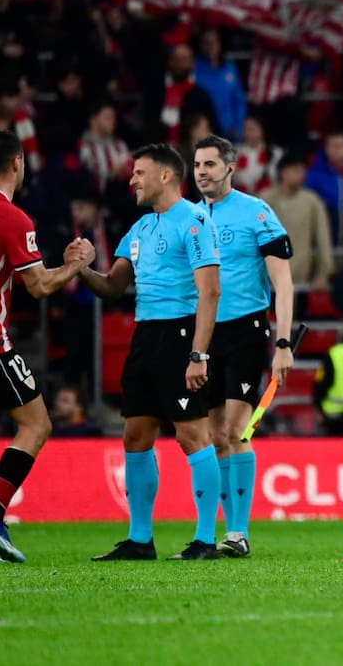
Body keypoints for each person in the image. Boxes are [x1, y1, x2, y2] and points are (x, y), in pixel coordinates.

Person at [74, 144, 223, 561]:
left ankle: (206, 540)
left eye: (139, 172)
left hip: (180, 335)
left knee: (193, 435)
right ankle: (140, 540)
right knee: (136, 435)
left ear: (165, 176)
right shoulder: (139, 228)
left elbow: (210, 291)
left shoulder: (194, 220)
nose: (132, 180)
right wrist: (80, 269)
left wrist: (198, 354)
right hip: (145, 337)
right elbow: (112, 287)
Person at [192, 135, 294, 558]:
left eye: (210, 165)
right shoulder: (189, 217)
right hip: (202, 335)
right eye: (197, 165)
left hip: (246, 331)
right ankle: (227, 534)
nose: (202, 172)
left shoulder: (257, 212)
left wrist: (283, 342)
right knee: (215, 436)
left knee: (237, 431)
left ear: (230, 168)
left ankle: (239, 532)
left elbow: (283, 282)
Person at [0, 131, 90, 562]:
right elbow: (38, 286)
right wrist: (76, 264)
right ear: (17, 162)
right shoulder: (12, 218)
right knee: (35, 425)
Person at [261, 151, 334, 293]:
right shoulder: (265, 200)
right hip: (267, 281)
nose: (302, 175)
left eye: (303, 170)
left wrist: (323, 274)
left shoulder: (312, 201)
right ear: (283, 173)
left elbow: (323, 240)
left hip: (300, 280)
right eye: (296, 170)